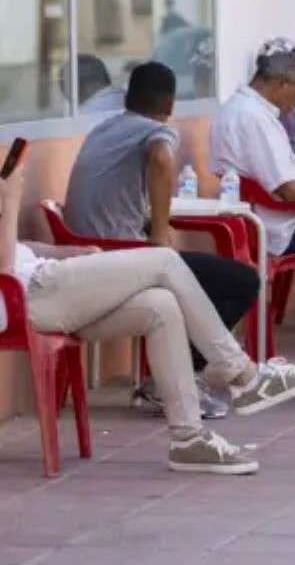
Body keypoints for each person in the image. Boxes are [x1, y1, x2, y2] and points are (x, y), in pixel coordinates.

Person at [0, 158, 295, 474]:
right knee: (165, 261)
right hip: (29, 297)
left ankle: (188, 439)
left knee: (161, 306)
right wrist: (11, 199)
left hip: (47, 283)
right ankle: (243, 374)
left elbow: (15, 250)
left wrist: (65, 252)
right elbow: (3, 266)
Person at [64, 61, 260, 418]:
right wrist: (158, 233)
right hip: (120, 256)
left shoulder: (104, 128)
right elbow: (160, 156)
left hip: (85, 253)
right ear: (169, 103)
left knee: (196, 279)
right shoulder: (156, 130)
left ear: (129, 97)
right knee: (242, 280)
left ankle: (180, 373)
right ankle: (178, 376)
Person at [209, 38, 295, 256]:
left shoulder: (236, 107)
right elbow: (288, 190)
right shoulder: (255, 118)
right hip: (278, 225)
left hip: (266, 215)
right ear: (282, 84)